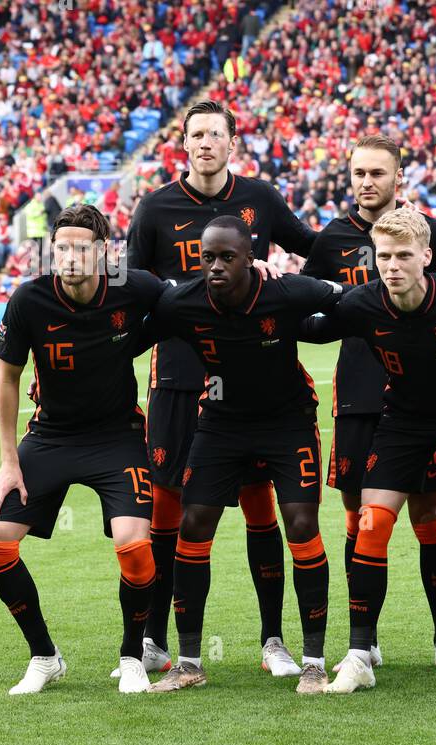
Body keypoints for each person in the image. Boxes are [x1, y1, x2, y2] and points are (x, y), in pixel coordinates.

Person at [125, 100, 318, 680]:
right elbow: (135, 286)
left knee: (263, 508)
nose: (204, 142)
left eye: (215, 134)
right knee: (170, 510)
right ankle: (156, 640)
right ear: (182, 144)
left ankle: (274, 640)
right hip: (179, 377)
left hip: (249, 380)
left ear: (232, 143)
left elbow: (316, 246)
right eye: (195, 134)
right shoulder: (156, 206)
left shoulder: (259, 198)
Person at [307, 208, 436, 697]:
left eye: (404, 255)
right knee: (370, 523)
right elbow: (311, 324)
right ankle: (360, 654)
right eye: (384, 256)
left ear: (427, 257)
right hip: (402, 420)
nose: (393, 266)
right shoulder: (363, 304)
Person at [144, 217, 344, 694]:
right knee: (193, 523)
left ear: (250, 257)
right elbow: (132, 327)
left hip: (288, 420)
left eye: (227, 257)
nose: (215, 266)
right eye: (207, 257)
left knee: (300, 524)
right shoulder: (182, 301)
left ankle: (314, 661)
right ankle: (189, 661)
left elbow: (347, 301)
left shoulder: (287, 292)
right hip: (220, 423)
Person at [0, 204, 168, 695]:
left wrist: (255, 268)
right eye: (60, 247)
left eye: (80, 247)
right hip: (50, 437)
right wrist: (8, 461)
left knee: (134, 545)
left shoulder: (133, 286)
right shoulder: (29, 300)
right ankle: (44, 656)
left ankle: (132, 656)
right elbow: (6, 380)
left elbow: (185, 298)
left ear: (103, 252)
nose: (68, 256)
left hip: (118, 436)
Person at [301, 135, 436, 673]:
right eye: (358, 173)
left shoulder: (433, 233)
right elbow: (306, 310)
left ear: (399, 177)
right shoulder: (331, 241)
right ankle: (363, 639)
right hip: (358, 398)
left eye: (377, 172)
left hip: (423, 403)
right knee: (360, 517)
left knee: (428, 514)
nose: (366, 182)